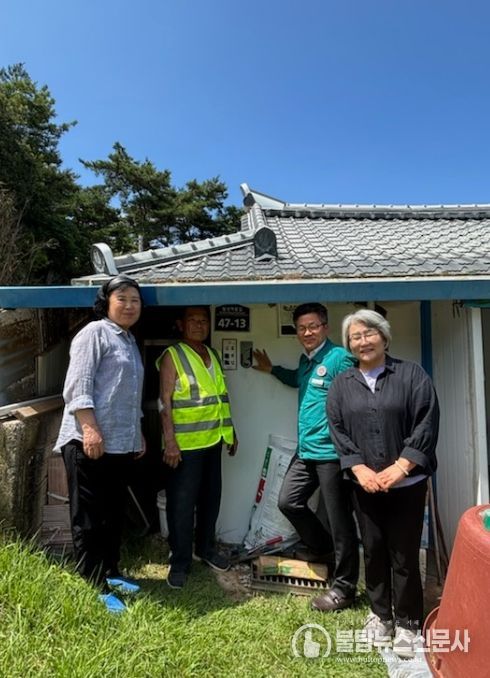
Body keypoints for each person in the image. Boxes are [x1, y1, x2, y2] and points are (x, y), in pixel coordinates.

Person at [326, 309, 439, 658]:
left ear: (384, 337)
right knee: (373, 550)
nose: (363, 341)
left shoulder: (411, 375)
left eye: (369, 334)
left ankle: (408, 623)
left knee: (404, 553)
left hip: (407, 485)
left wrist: (402, 466)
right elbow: (338, 429)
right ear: (349, 345)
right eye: (355, 337)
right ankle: (380, 616)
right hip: (366, 485)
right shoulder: (342, 385)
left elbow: (426, 421)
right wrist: (359, 468)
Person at [253, 302, 359, 612]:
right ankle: (322, 548)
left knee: (340, 521)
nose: (307, 332)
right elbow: (298, 380)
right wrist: (272, 369)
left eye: (313, 326)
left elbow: (359, 396)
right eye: (302, 328)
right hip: (307, 450)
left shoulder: (339, 358)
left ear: (325, 327)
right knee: (289, 501)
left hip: (331, 453)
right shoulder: (306, 361)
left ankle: (345, 588)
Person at [55, 275, 145, 607]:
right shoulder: (94, 333)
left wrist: (138, 432)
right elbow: (77, 386)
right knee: (89, 516)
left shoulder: (129, 341)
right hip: (88, 440)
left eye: (135, 300)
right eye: (122, 298)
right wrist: (90, 429)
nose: (129, 305)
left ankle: (110, 570)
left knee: (112, 513)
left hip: (120, 443)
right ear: (106, 303)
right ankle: (93, 583)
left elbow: (128, 395)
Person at [158, 306, 237, 589]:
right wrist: (170, 441)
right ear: (181, 324)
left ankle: (205, 548)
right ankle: (180, 561)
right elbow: (164, 402)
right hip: (184, 446)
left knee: (210, 499)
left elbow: (219, 397)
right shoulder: (173, 356)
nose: (199, 325)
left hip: (213, 440)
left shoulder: (212, 354)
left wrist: (231, 431)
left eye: (203, 320)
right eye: (192, 320)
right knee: (182, 505)